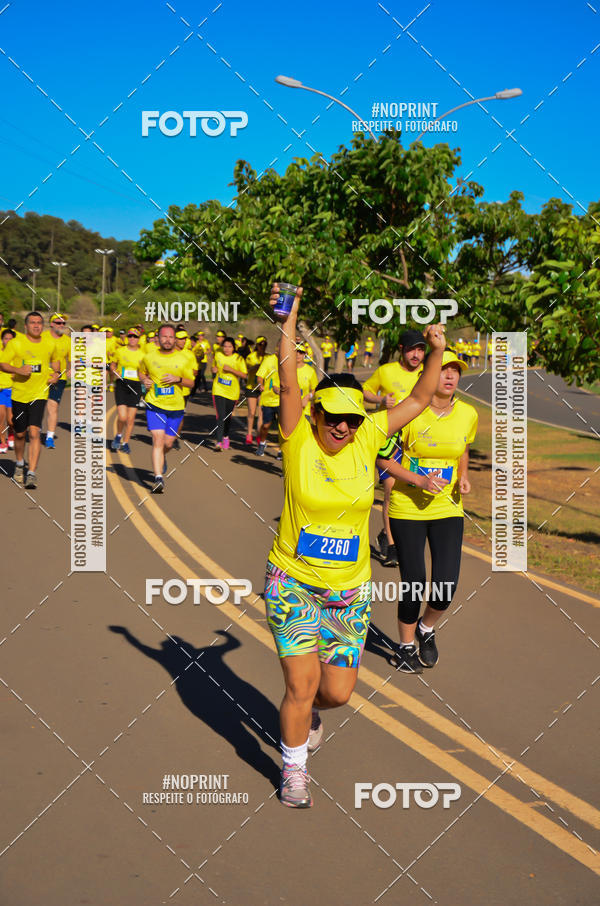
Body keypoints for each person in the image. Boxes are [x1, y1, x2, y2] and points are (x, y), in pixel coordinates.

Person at [264, 283, 445, 807]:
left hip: (349, 591)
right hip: (293, 583)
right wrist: (289, 319)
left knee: (336, 692)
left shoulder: (366, 438)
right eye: (333, 417)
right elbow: (287, 377)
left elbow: (417, 398)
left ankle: (307, 717)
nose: (342, 426)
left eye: (351, 418)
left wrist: (435, 351)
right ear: (315, 414)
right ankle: (293, 770)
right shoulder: (297, 436)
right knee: (299, 684)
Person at [381, 351, 477, 673]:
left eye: (455, 371)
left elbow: (462, 447)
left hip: (447, 507)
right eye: (443, 370)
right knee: (414, 582)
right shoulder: (409, 413)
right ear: (429, 374)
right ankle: (406, 645)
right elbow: (383, 460)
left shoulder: (467, 414)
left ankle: (426, 628)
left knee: (446, 586)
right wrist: (417, 479)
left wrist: (463, 475)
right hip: (408, 508)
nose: (449, 376)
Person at [363, 330, 426, 567]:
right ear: (401, 348)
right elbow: (365, 390)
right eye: (412, 349)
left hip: (417, 441)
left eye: (421, 350)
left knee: (407, 492)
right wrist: (380, 401)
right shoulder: (386, 371)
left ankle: (387, 534)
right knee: (390, 488)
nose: (416, 354)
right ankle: (391, 545)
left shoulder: (426, 374)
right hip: (391, 440)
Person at [0, 311, 61, 488]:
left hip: (39, 394)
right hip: (19, 394)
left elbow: (56, 361)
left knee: (34, 432)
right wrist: (18, 370)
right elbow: (3, 363)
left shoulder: (50, 343)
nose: (36, 325)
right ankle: (19, 463)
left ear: (43, 326)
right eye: (33, 322)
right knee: (20, 433)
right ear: (26, 326)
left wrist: (56, 374)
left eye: (39, 323)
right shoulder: (16, 343)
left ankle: (32, 473)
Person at [138, 324, 195, 493]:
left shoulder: (183, 359)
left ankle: (162, 457)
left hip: (176, 406)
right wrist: (144, 380)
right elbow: (141, 372)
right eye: (164, 337)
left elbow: (191, 383)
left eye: (171, 337)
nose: (168, 340)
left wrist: (177, 379)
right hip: (155, 404)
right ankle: (158, 478)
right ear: (158, 338)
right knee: (158, 439)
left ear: (175, 339)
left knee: (168, 443)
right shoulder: (148, 357)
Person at [110, 328, 145, 453]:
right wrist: (115, 372)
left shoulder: (143, 354)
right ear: (127, 337)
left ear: (139, 338)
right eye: (130, 336)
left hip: (135, 386)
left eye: (135, 337)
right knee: (123, 416)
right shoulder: (119, 351)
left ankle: (125, 443)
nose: (132, 339)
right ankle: (118, 435)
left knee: (131, 418)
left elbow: (145, 371)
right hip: (122, 384)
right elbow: (112, 365)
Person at [212, 336, 247, 450]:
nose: (226, 349)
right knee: (220, 416)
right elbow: (214, 366)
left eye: (229, 347)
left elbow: (244, 375)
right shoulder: (218, 355)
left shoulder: (238, 359)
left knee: (227, 417)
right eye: (225, 346)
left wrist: (231, 370)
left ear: (233, 348)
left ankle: (225, 436)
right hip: (218, 389)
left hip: (232, 392)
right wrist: (214, 370)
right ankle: (218, 442)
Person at [43, 313, 71, 449]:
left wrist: (73, 369)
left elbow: (73, 359)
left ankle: (49, 436)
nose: (61, 325)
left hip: (59, 379)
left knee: (53, 407)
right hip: (40, 377)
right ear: (51, 324)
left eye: (63, 323)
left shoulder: (67, 340)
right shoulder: (42, 337)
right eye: (58, 323)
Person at [256, 343, 280, 457]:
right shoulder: (269, 360)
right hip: (268, 399)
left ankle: (282, 450)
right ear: (277, 348)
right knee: (266, 425)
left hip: (283, 401)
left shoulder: (290, 361)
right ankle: (262, 443)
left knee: (283, 427)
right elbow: (260, 376)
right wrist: (260, 384)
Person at [244, 336, 267, 445]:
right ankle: (249, 434)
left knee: (261, 413)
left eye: (264, 344)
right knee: (252, 412)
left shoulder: (268, 357)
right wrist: (257, 367)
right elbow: (246, 371)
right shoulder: (251, 357)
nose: (262, 346)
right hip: (252, 387)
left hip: (263, 387)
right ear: (257, 346)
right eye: (260, 345)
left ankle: (258, 435)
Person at [0, 327, 16, 453]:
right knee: (1, 417)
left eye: (11, 339)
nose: (8, 341)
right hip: (1, 391)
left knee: (11, 420)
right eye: (6, 339)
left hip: (13, 390)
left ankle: (11, 434)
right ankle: (3, 443)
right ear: (2, 340)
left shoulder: (17, 356)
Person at [295, 342, 317, 410]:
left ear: (304, 354)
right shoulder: (287, 369)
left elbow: (315, 389)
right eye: (295, 352)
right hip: (289, 409)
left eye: (301, 352)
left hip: (304, 410)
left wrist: (308, 396)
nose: (297, 355)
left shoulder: (311, 371)